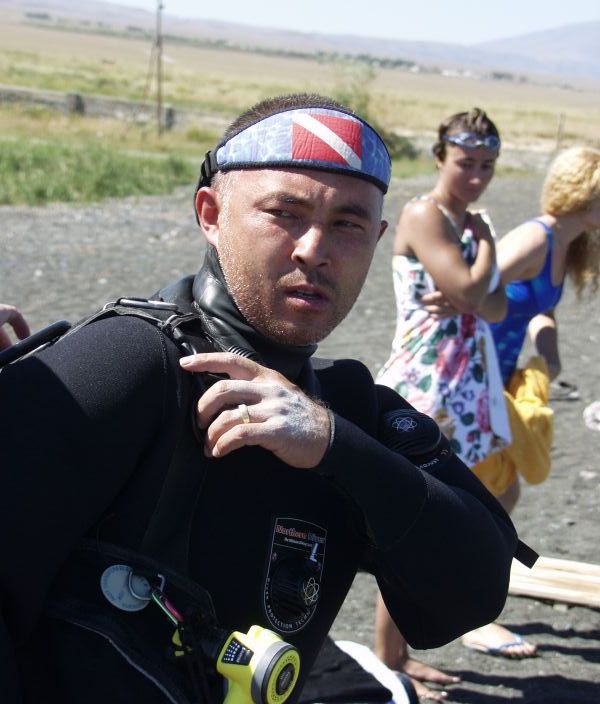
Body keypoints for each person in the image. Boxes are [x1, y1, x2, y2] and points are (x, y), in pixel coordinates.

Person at [0, 94, 527, 704]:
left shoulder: (348, 409)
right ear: (211, 213)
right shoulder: (129, 363)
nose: (314, 249)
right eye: (284, 212)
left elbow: (472, 592)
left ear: (377, 239)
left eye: (348, 224)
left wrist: (338, 449)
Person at [374, 109, 517, 698]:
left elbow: (497, 307)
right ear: (440, 158)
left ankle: (402, 647)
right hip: (429, 381)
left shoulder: (466, 221)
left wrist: (474, 282)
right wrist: (483, 253)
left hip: (467, 385)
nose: (477, 177)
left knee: (491, 495)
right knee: (415, 515)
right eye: (466, 163)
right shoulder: (424, 214)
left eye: (487, 165)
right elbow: (471, 291)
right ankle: (389, 656)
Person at [472, 145, 600, 545]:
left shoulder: (567, 245)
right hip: (472, 376)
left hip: (500, 379)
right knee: (489, 489)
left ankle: (461, 566)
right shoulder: (535, 238)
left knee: (501, 490)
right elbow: (472, 293)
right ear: (581, 194)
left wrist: (549, 359)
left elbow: (541, 310)